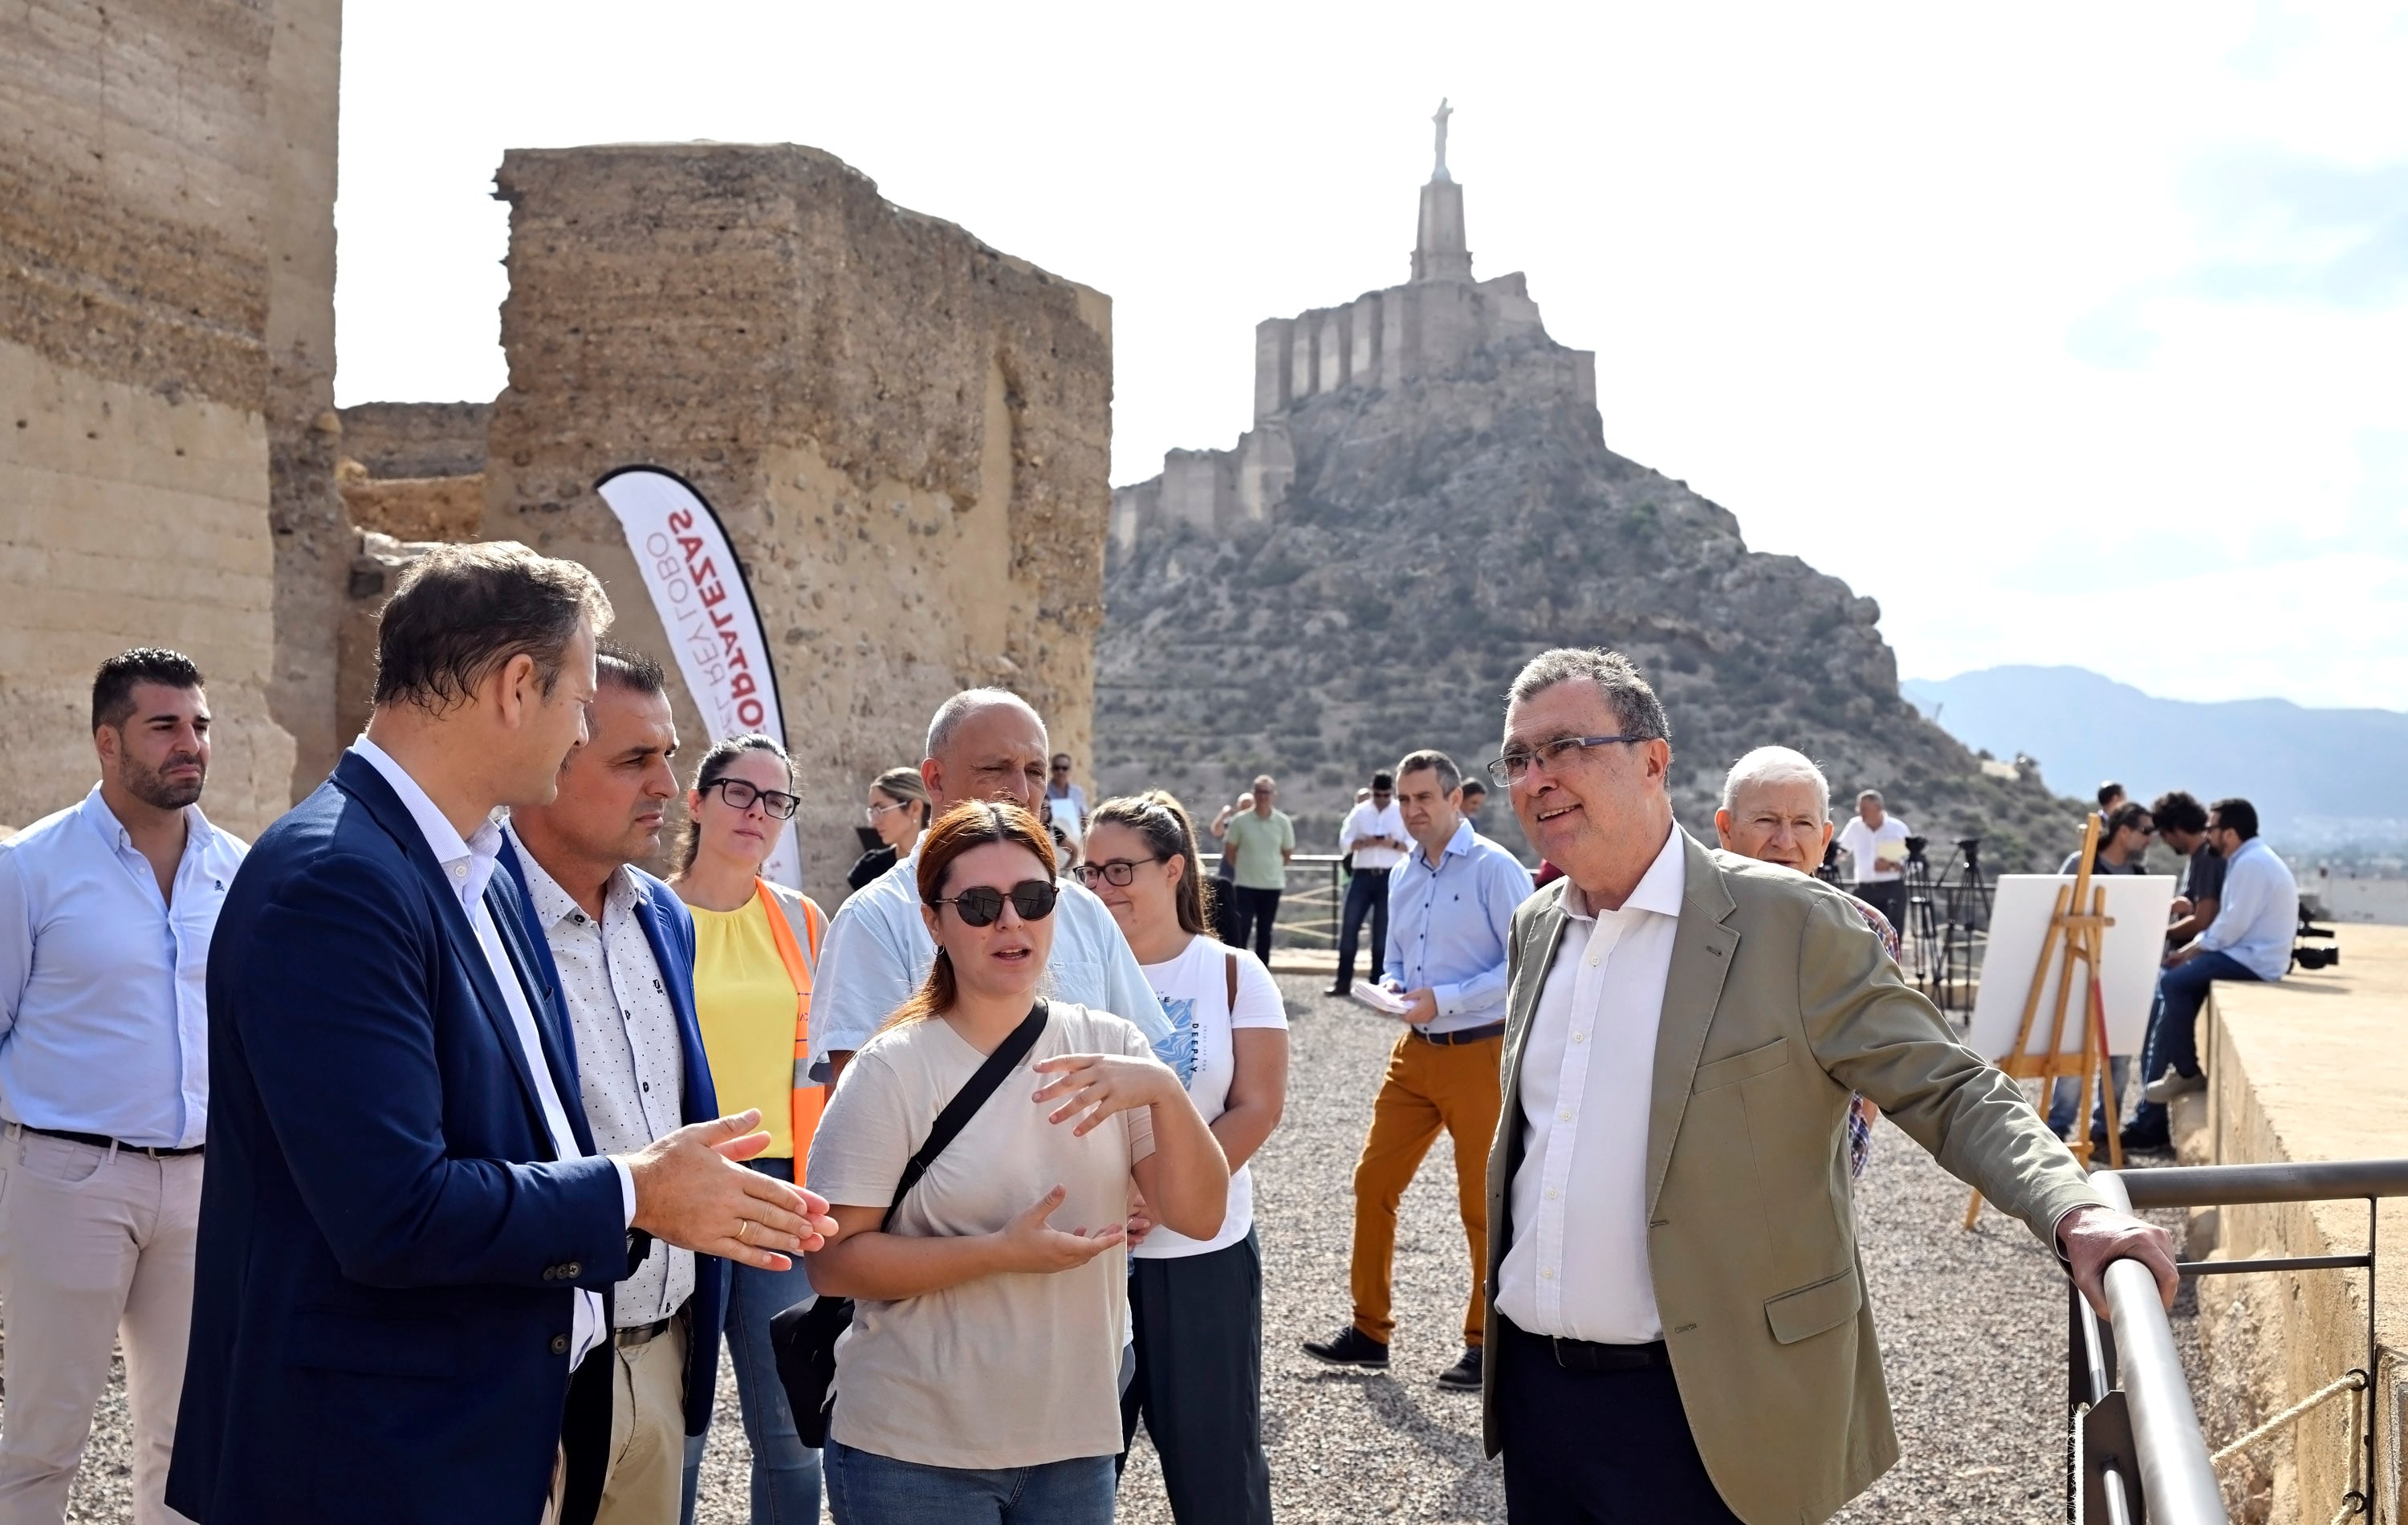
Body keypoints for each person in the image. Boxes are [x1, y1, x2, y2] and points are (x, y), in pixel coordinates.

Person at [165, 543, 836, 1524]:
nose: (580, 739)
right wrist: (638, 1189)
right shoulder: (338, 881)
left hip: (487, 1429)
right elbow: (394, 1210)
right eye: (576, 703)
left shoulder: (470, 869)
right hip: (368, 1453)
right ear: (517, 688)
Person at [1478, 647, 2177, 1524]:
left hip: (1713, 1414)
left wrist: (2073, 1208)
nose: (1537, 777)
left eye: (1566, 746)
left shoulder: (1796, 923)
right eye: (1518, 757)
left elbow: (1948, 1086)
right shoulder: (1537, 926)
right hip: (1542, 1408)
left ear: (1654, 759)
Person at [803, 802, 1229, 1525]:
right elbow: (833, 1262)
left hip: (1076, 1446)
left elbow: (1198, 1214)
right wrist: (999, 1253)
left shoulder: (1114, 1044)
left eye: (1033, 900)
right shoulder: (892, 1068)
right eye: (978, 904)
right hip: (914, 1450)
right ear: (934, 923)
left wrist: (1162, 1090)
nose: (1011, 923)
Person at [0, 649, 246, 1523]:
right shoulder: (31, 868)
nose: (192, 745)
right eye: (165, 726)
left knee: (189, 1443)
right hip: (67, 1179)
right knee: (41, 1440)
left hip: (204, 1185)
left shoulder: (242, 872)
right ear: (109, 741)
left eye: (200, 725)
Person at [498, 645, 727, 1525]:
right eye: (635, 759)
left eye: (669, 755)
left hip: (662, 1348)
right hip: (540, 1356)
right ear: (548, 766)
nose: (668, 785)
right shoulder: (482, 920)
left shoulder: (664, 916)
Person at [1084, 793, 1287, 1524]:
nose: (1102, 889)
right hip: (1086, 1260)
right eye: (1089, 872)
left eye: (1119, 870)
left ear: (1173, 871)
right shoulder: (1067, 976)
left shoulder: (1231, 973)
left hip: (1202, 1258)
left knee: (1214, 1473)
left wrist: (1162, 1198)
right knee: (1071, 1477)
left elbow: (1257, 1106)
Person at [810, 689, 1173, 1091]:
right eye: (995, 768)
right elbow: (862, 1105)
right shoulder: (875, 919)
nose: (1021, 792)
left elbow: (1146, 1072)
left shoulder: (1084, 912)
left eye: (1035, 771)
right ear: (935, 779)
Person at [1303, 750, 1529, 1392]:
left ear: (1458, 800)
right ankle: (1369, 1332)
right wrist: (1394, 988)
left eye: (1425, 797)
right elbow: (1398, 958)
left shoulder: (1496, 870)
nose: (1412, 810)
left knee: (1481, 1207)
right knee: (1372, 1181)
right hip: (1415, 1054)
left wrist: (1446, 1000)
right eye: (1404, 799)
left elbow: (1522, 967)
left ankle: (1487, 1343)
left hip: (1480, 1053)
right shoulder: (1402, 874)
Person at [669, 733, 832, 1523]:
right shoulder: (644, 911)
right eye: (740, 791)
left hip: (783, 1190)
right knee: (678, 1434)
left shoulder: (804, 922)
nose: (757, 812)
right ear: (696, 802)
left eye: (776, 800)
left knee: (795, 1435)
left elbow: (841, 1063)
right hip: (679, 1189)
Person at [1709, 746, 1897, 1181]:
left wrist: (1844, 1166)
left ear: (1825, 838)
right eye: (1767, 820)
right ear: (1726, 828)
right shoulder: (1686, 921)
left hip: (1815, 1183)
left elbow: (1879, 1066)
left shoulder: (1866, 930)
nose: (1785, 842)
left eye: (1802, 824)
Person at [2142, 798, 2299, 1107]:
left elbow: (2231, 926)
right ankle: (2181, 1068)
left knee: (2173, 982)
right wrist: (2192, 952)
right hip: (2245, 953)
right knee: (2183, 981)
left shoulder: (2251, 863)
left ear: (2229, 833)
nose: (2207, 834)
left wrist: (2188, 952)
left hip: (2253, 959)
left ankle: (2186, 1072)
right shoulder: (2249, 859)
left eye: (2211, 828)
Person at [2122, 791, 2222, 1149]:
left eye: (2164, 833)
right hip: (2185, 962)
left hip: (2189, 965)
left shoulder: (2208, 858)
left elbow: (2205, 918)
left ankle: (2148, 1125)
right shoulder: (2201, 858)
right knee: (2154, 1044)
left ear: (2178, 828)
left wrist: (2155, 931)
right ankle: (2146, 1121)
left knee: (2159, 1045)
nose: (2163, 840)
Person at [1330, 771, 1409, 996]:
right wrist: (1365, 842)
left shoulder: (1400, 812)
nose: (1381, 798)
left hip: (1390, 874)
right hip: (1362, 874)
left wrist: (1392, 844)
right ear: (1372, 791)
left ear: (1391, 792)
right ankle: (1342, 982)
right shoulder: (1360, 812)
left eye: (1385, 794)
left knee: (1382, 931)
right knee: (1349, 927)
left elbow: (1412, 844)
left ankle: (1378, 983)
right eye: (1377, 794)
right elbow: (1344, 841)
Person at [1210, 776, 1294, 961]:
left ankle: (1262, 975)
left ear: (1274, 795)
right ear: (1254, 793)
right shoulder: (1240, 821)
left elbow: (1287, 852)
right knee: (1242, 930)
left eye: (1267, 792)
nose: (1263, 796)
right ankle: (1239, 973)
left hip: (1272, 885)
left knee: (1265, 932)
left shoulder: (1283, 822)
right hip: (1245, 885)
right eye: (1259, 791)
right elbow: (1230, 851)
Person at [1833, 788, 1910, 931]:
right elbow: (1841, 849)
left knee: (1891, 933)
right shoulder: (1855, 826)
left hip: (1892, 889)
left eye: (1864, 809)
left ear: (1879, 808)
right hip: (1864, 891)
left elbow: (1914, 863)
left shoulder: (1898, 829)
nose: (1860, 812)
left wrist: (1892, 866)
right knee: (1861, 934)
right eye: (1858, 808)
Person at [851, 767, 931, 893]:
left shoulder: (947, 864)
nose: (873, 821)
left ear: (915, 808)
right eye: (872, 811)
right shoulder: (870, 869)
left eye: (881, 809)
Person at [2058, 800, 2154, 876]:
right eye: (2146, 831)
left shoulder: (2139, 874)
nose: (2150, 840)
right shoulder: (2081, 864)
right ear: (2124, 832)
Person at [1046, 752, 1090, 831]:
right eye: (1057, 768)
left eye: (1064, 768)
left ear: (1070, 770)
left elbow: (1084, 817)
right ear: (1051, 769)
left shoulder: (1077, 792)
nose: (1060, 771)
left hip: (1075, 838)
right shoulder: (1044, 791)